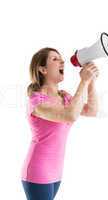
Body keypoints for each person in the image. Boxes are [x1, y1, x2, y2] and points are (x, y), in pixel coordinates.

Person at [20, 47, 99, 200]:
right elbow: (69, 115)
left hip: (56, 172)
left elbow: (91, 111)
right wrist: (83, 81)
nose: (62, 61)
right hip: (38, 171)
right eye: (55, 59)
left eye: (61, 58)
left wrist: (90, 82)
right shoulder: (37, 100)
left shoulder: (64, 97)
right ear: (43, 69)